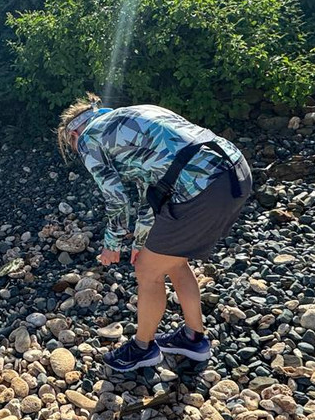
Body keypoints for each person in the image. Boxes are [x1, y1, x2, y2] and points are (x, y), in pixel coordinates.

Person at [57, 94, 252, 371]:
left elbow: (117, 199)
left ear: (74, 133)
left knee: (147, 272)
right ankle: (193, 338)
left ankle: (142, 348)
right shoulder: (130, 116)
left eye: (72, 146)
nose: (78, 152)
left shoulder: (89, 138)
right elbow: (149, 189)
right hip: (234, 171)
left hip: (201, 187)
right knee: (174, 261)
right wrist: (140, 240)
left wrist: (112, 243)